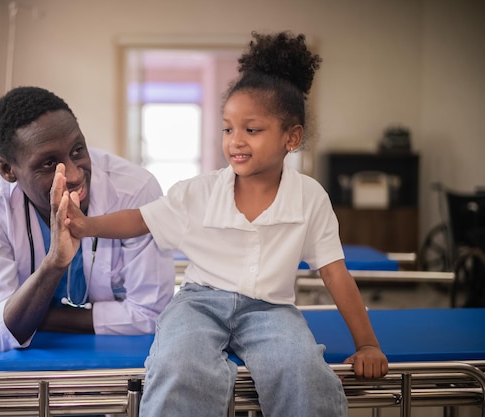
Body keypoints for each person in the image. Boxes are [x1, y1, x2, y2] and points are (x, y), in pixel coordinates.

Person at [64, 31, 389, 416]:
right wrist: (86, 226)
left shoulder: (310, 197)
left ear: (292, 137)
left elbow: (336, 274)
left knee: (302, 371)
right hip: (199, 303)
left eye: (251, 130)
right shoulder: (198, 191)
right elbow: (141, 219)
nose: (235, 141)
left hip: (271, 310)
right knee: (178, 365)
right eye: (228, 128)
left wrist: (368, 343)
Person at [0, 86, 175, 352]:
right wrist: (54, 264)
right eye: (49, 164)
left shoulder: (135, 189)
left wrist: (34, 314)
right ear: (8, 170)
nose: (73, 175)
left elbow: (151, 316)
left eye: (77, 150)